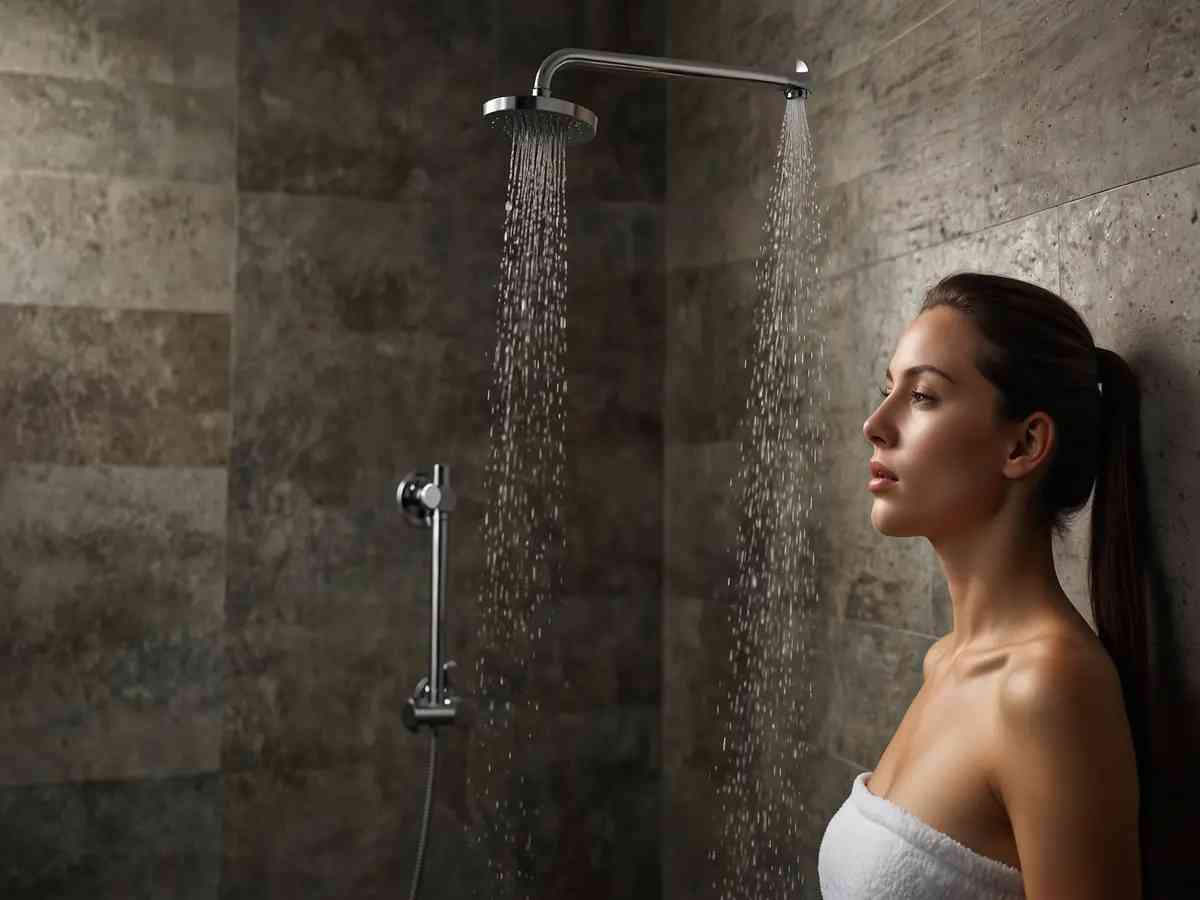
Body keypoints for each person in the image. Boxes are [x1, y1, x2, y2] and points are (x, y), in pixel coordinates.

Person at [817, 272, 1152, 899]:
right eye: (888, 389)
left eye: (922, 397)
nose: (874, 424)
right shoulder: (944, 661)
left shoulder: (1046, 687)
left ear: (1024, 443)